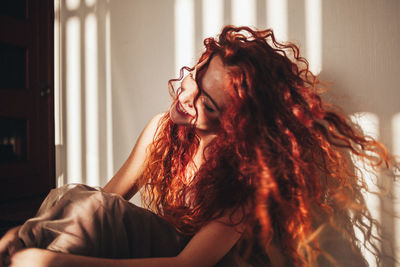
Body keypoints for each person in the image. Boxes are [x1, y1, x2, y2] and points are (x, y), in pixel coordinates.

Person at [0, 26, 394, 267]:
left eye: (207, 103)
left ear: (236, 126)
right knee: (78, 200)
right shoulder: (161, 131)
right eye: (195, 77)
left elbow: (187, 264)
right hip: (163, 253)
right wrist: (26, 234)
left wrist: (57, 262)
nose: (186, 98)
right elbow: (100, 206)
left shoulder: (246, 178)